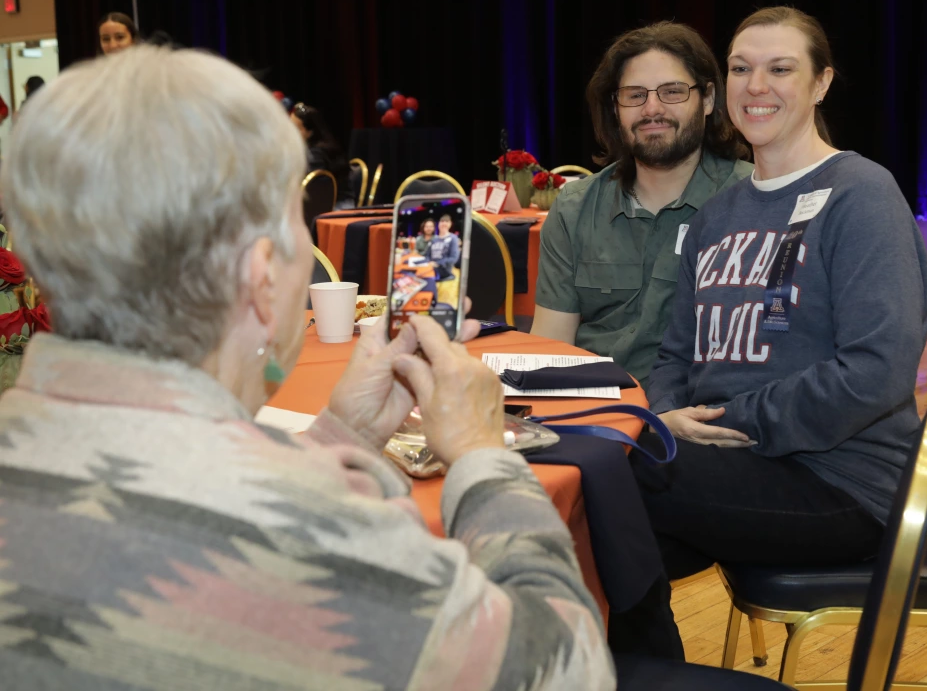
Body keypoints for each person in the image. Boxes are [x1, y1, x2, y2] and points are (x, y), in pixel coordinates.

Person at [0, 45, 614, 689]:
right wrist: (483, 460)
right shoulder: (315, 539)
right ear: (263, 278)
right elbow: (570, 669)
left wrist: (342, 438)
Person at [613, 6, 927, 655]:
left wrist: (729, 423)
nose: (756, 85)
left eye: (780, 68)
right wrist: (670, 417)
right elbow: (676, 353)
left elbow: (876, 371)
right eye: (740, 68)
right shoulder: (717, 215)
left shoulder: (862, 194)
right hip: (733, 460)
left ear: (821, 84)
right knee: (589, 534)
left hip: (842, 484)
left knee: (611, 485)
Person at [532, 22, 753, 382]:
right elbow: (549, 348)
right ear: (615, 108)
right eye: (635, 95)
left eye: (672, 92)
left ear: (709, 99)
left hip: (703, 419)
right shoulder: (575, 207)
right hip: (598, 417)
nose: (652, 109)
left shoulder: (754, 198)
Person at [290, 102, 353, 207]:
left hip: (337, 207)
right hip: (324, 204)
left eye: (296, 128)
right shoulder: (318, 147)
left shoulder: (316, 155)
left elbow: (313, 191)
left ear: (310, 132)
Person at [428, 213, 460, 280]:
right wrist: (428, 262)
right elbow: (427, 254)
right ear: (438, 224)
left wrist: (437, 263)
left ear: (450, 224)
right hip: (430, 267)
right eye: (442, 221)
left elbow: (453, 258)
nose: (444, 223)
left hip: (444, 270)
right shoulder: (434, 239)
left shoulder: (453, 238)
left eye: (447, 221)